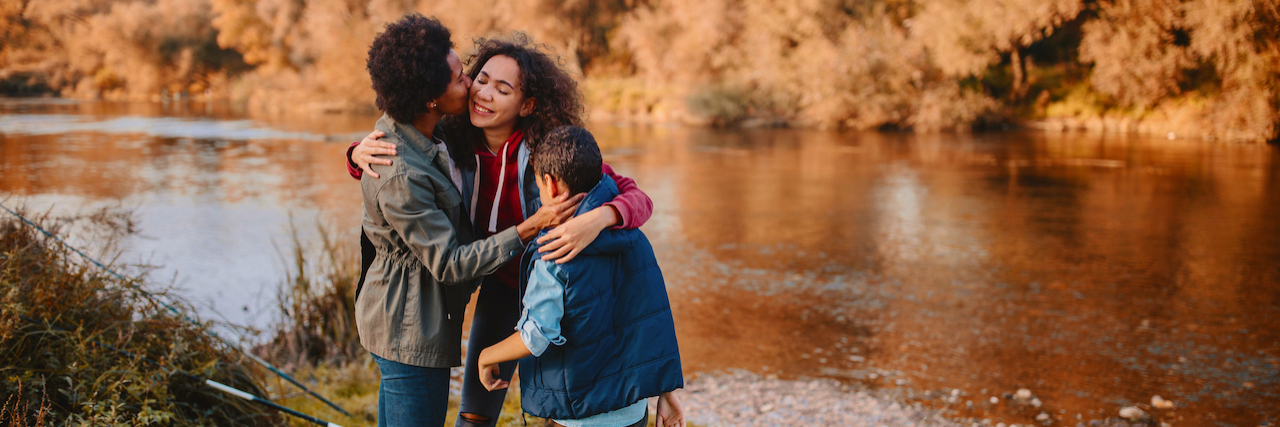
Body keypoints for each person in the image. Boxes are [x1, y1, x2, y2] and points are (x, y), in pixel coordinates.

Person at [347, 33, 654, 427]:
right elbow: (401, 159)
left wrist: (599, 218)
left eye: (502, 89)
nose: (483, 93)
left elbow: (636, 197)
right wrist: (356, 154)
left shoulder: (549, 154)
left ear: (526, 105)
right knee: (474, 416)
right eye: (481, 79)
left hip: (558, 292)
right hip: (500, 290)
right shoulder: (451, 146)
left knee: (565, 412)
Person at [476, 126, 686, 427]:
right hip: (633, 412)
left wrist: (487, 356)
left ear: (550, 185)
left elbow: (537, 335)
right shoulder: (634, 236)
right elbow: (650, 321)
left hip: (578, 416)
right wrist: (664, 389)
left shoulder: (555, 251)